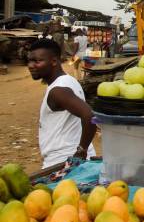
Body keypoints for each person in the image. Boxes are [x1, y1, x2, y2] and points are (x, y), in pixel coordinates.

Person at [27, 39, 97, 168]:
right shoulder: (69, 81)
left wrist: (81, 151)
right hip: (70, 160)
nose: (31, 65)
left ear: (54, 61)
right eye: (29, 61)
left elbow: (90, 116)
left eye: (37, 61)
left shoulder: (57, 91)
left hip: (62, 163)